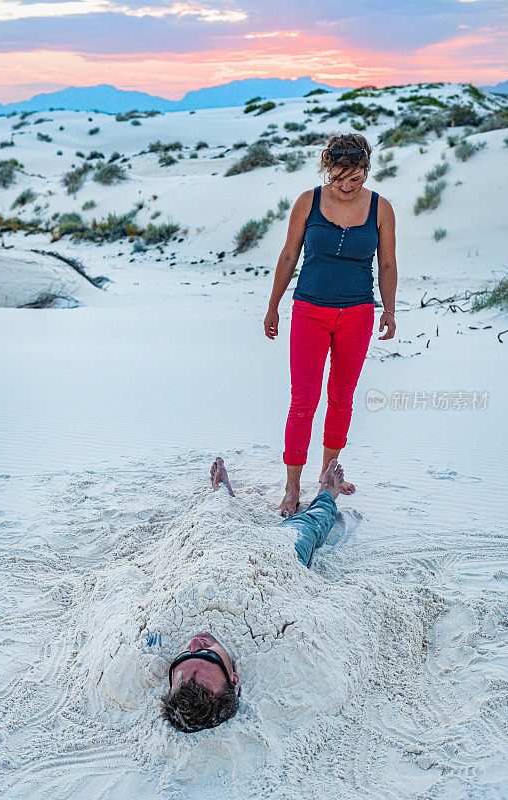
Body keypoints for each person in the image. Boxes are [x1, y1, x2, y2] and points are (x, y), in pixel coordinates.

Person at [264, 132, 398, 517]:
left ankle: (327, 476)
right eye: (339, 177)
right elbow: (289, 256)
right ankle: (291, 488)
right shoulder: (308, 202)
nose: (346, 186)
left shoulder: (381, 208)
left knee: (341, 396)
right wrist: (273, 306)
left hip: (357, 314)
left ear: (366, 171)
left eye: (355, 179)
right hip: (309, 310)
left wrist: (389, 309)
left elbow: (387, 263)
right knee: (304, 399)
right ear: (328, 168)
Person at [159, 455, 344, 733]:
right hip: (277, 556)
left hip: (217, 549)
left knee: (213, 514)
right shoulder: (275, 643)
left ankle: (222, 493)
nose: (196, 641)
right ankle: (327, 493)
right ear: (233, 679)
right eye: (207, 654)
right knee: (310, 527)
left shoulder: (157, 637)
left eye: (184, 655)